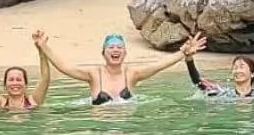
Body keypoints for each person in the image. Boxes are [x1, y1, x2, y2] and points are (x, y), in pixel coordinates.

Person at [36, 30, 201, 104]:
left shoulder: (132, 74)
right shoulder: (94, 74)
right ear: (103, 53)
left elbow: (158, 65)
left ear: (125, 53)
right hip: (100, 132)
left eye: (119, 47)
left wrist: (183, 52)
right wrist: (43, 46)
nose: (115, 50)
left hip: (127, 133)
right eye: (111, 47)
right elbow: (64, 66)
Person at [187, 37, 254, 99]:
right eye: (235, 67)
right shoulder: (224, 94)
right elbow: (198, 82)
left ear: (252, 74)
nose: (237, 70)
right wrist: (189, 58)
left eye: (242, 66)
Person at [0, 32, 52, 110]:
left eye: (19, 79)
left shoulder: (34, 101)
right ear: (5, 85)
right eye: (11, 80)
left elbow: (45, 79)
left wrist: (41, 49)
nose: (15, 83)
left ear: (25, 84)